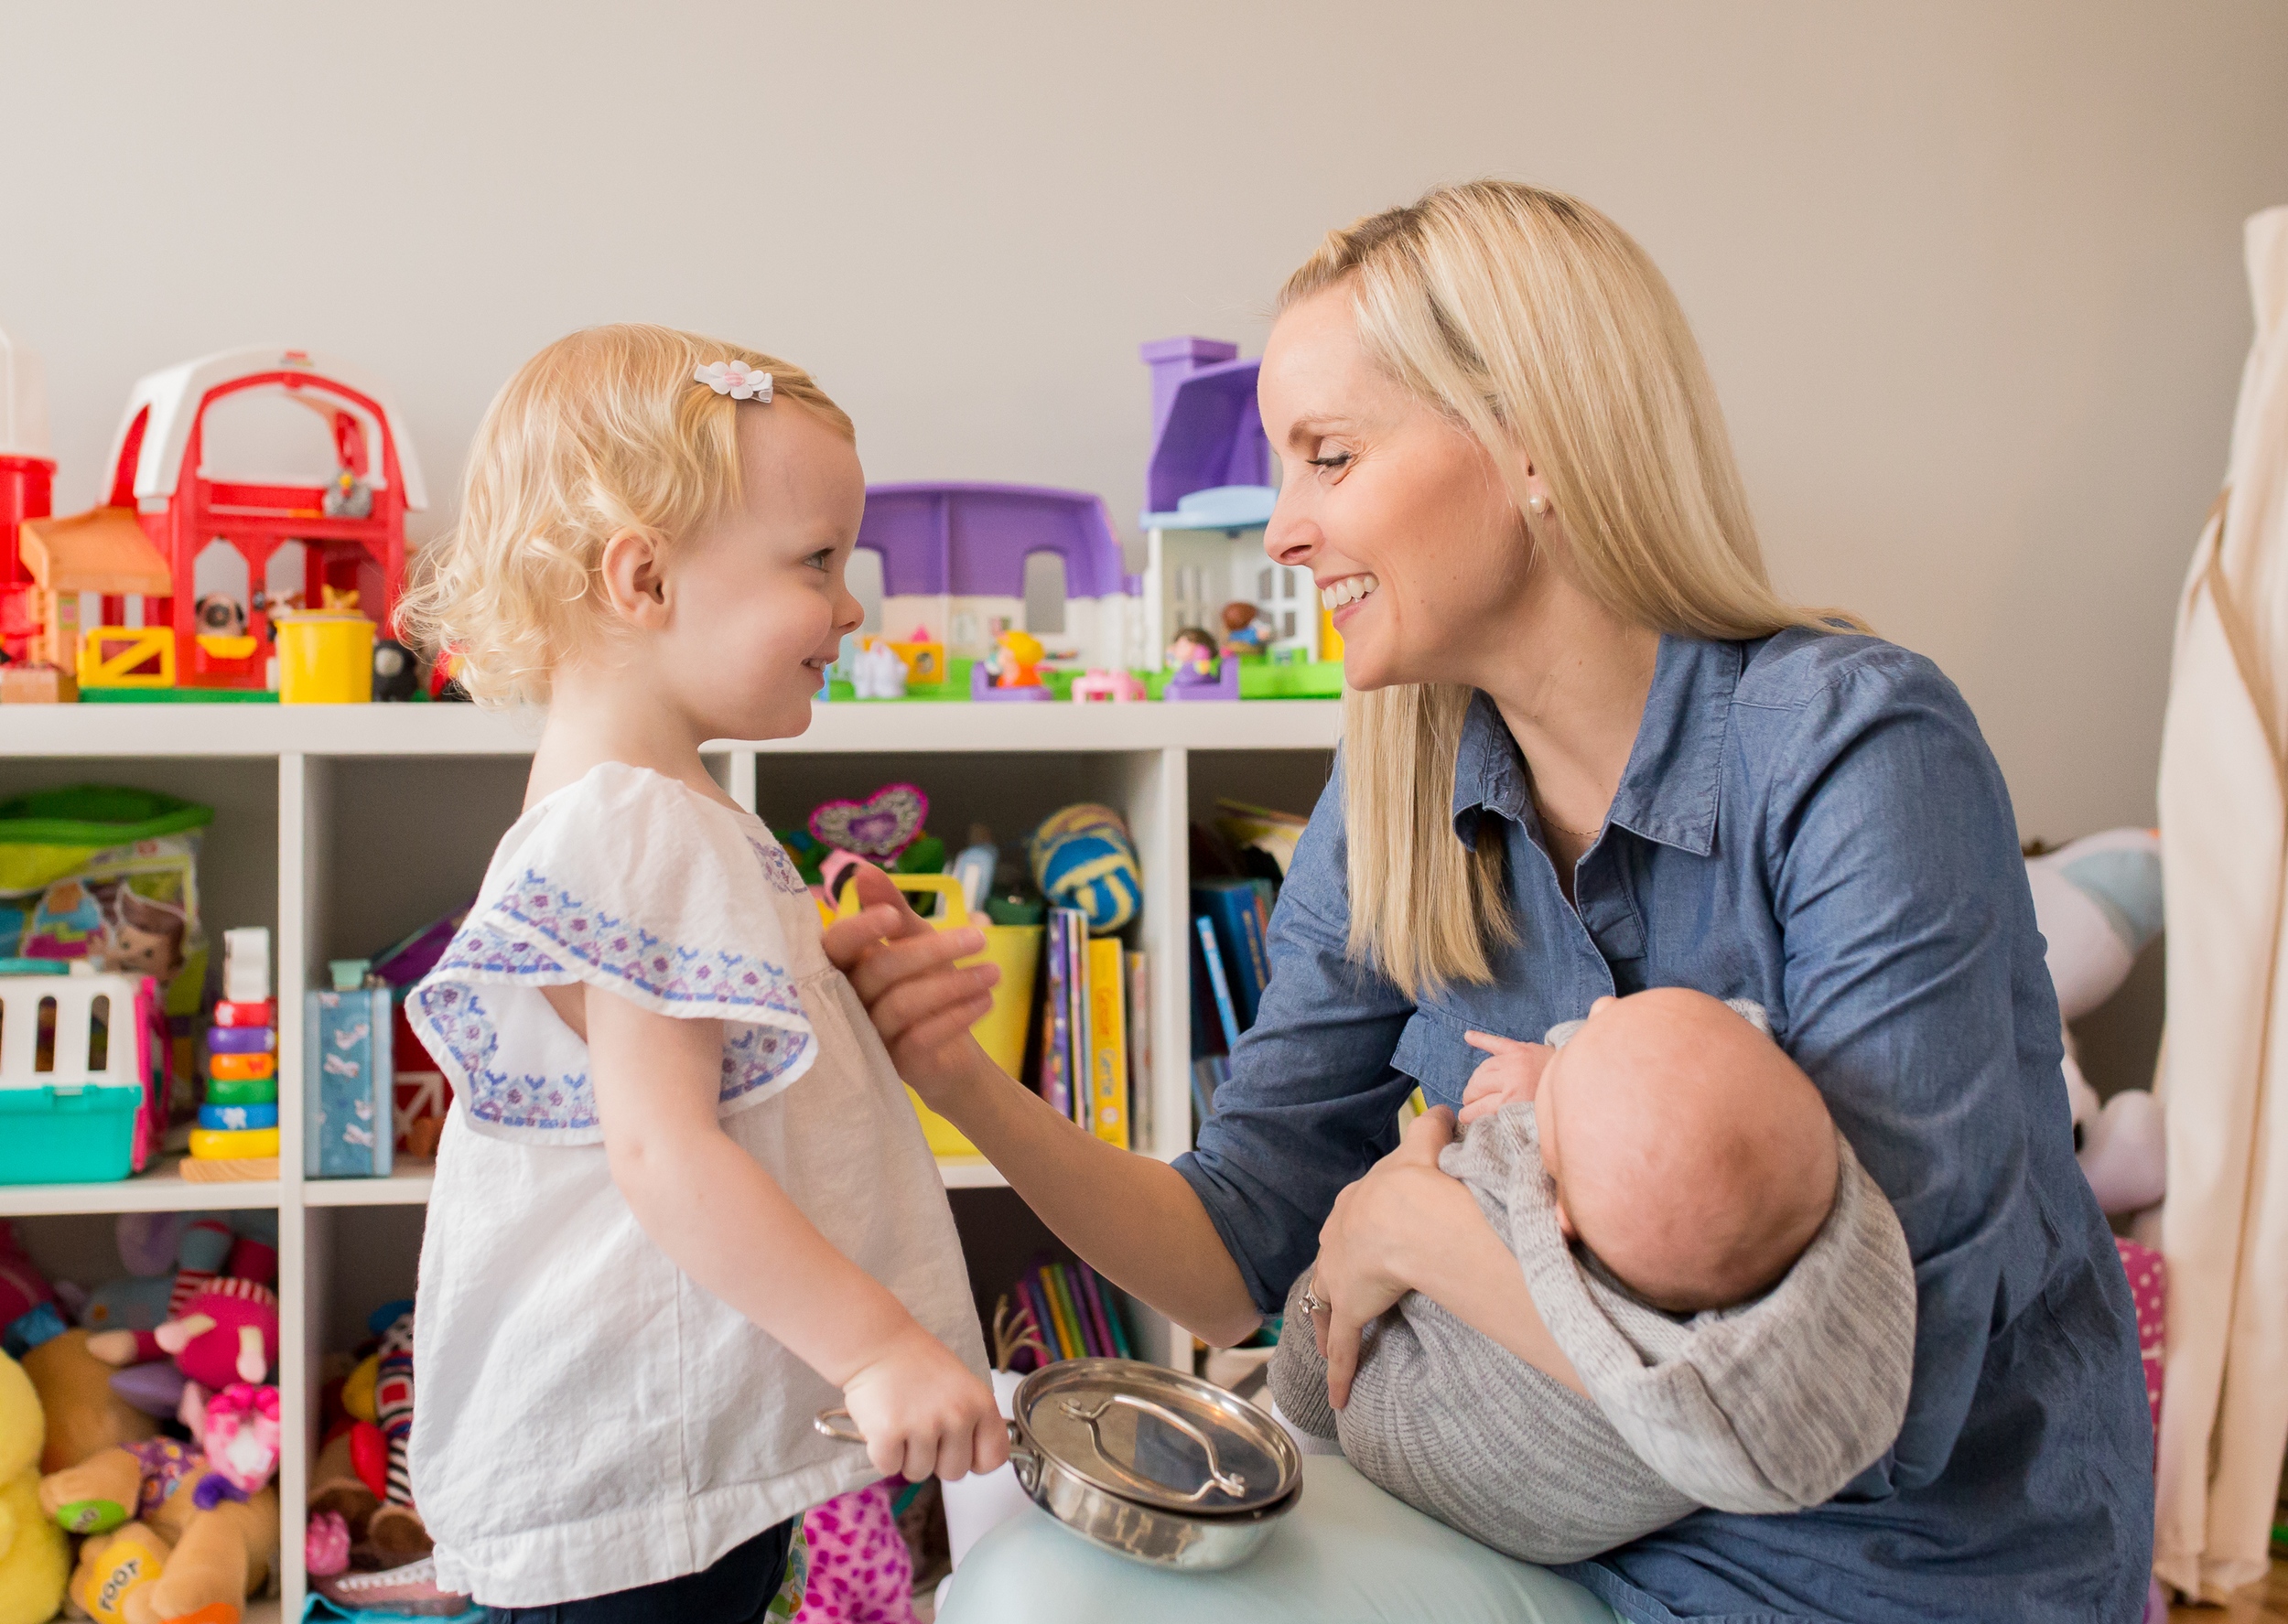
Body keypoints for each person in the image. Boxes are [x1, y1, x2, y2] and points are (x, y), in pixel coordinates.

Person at [828, 181, 2153, 1622]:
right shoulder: (1402, 785)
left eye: (1330, 455)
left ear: (1533, 445)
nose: (1281, 530)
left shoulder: (1852, 748)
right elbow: (1228, 1261)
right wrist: (956, 1073)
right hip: (1545, 1516)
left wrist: (1427, 1241)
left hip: (1892, 1566)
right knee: (1040, 1583)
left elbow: (1870, 1398)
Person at [398, 326, 1005, 1619]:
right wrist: (878, 1345)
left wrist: (817, 966)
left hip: (642, 1451)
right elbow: (661, 1147)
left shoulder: (623, 802)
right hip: (636, 1471)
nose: (849, 606)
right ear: (644, 578)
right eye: (817, 562)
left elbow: (666, 1045)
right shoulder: (640, 819)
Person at [1268, 989, 1917, 1565]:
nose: (1600, 1008)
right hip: (1572, 1518)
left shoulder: (1544, 1210)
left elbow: (1428, 1198)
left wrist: (1444, 1156)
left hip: (1412, 1417)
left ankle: (1292, 1428)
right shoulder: (1763, 1228)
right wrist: (1565, 1075)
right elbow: (1672, 1087)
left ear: (1564, 1217)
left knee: (1327, 1294)